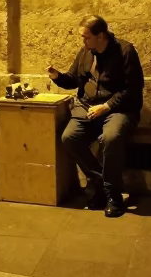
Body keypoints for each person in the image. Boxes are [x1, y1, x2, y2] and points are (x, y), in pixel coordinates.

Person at [48, 15, 144, 217]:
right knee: (69, 137)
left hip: (118, 109)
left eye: (86, 37)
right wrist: (58, 77)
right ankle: (101, 182)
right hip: (87, 107)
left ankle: (113, 196)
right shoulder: (86, 51)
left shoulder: (125, 51)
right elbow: (74, 79)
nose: (83, 41)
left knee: (111, 137)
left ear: (101, 36)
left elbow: (133, 89)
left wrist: (107, 106)